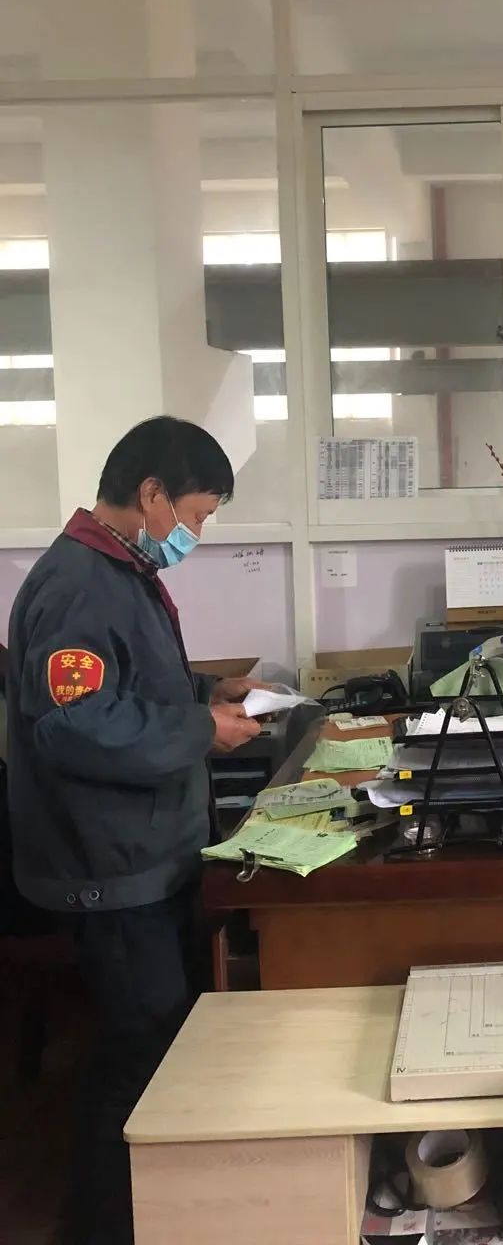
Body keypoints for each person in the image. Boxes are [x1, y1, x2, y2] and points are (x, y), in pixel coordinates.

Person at [5, 416, 263, 1245]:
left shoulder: (122, 570)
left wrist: (202, 697)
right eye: (196, 514)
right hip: (107, 869)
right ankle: (101, 1227)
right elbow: (73, 726)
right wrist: (199, 730)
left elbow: (128, 686)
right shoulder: (79, 584)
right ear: (151, 494)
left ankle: (149, 1214)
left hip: (144, 855)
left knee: (153, 1042)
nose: (197, 533)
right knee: (137, 1053)